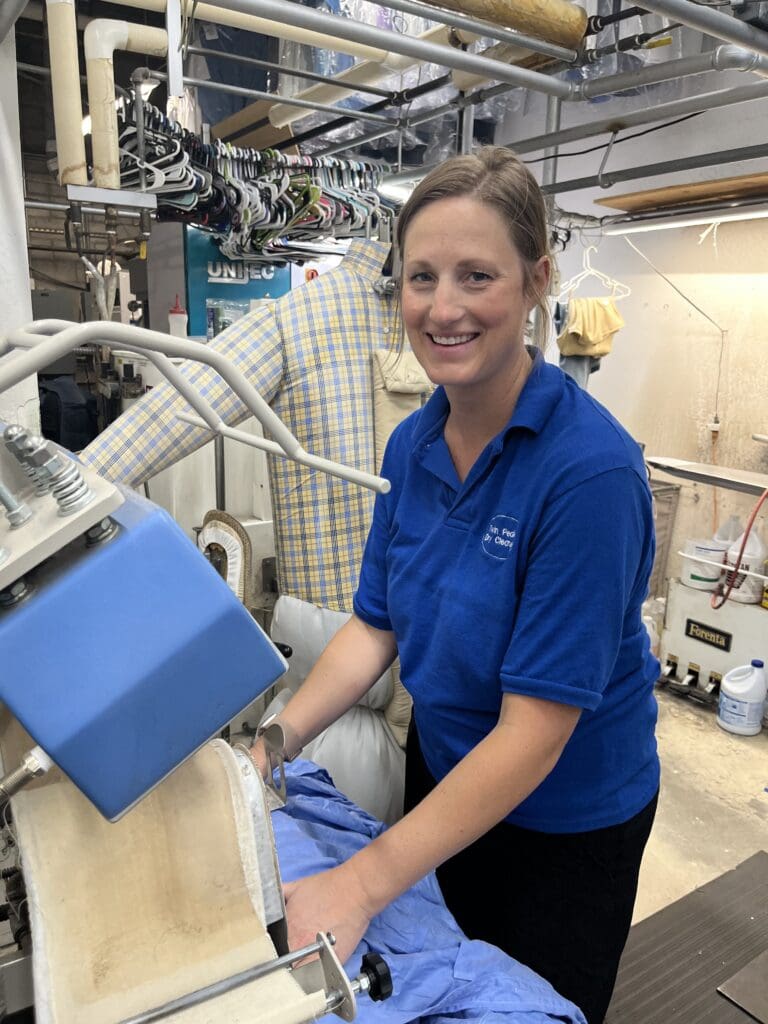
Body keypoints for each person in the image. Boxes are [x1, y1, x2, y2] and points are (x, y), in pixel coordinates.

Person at [250, 146, 660, 1024]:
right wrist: (271, 746)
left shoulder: (588, 475)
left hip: (563, 823)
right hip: (444, 774)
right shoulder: (415, 444)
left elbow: (533, 736)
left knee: (523, 1004)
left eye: (477, 275)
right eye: (421, 277)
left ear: (537, 280)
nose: (442, 308)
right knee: (430, 969)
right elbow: (375, 626)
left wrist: (362, 882)